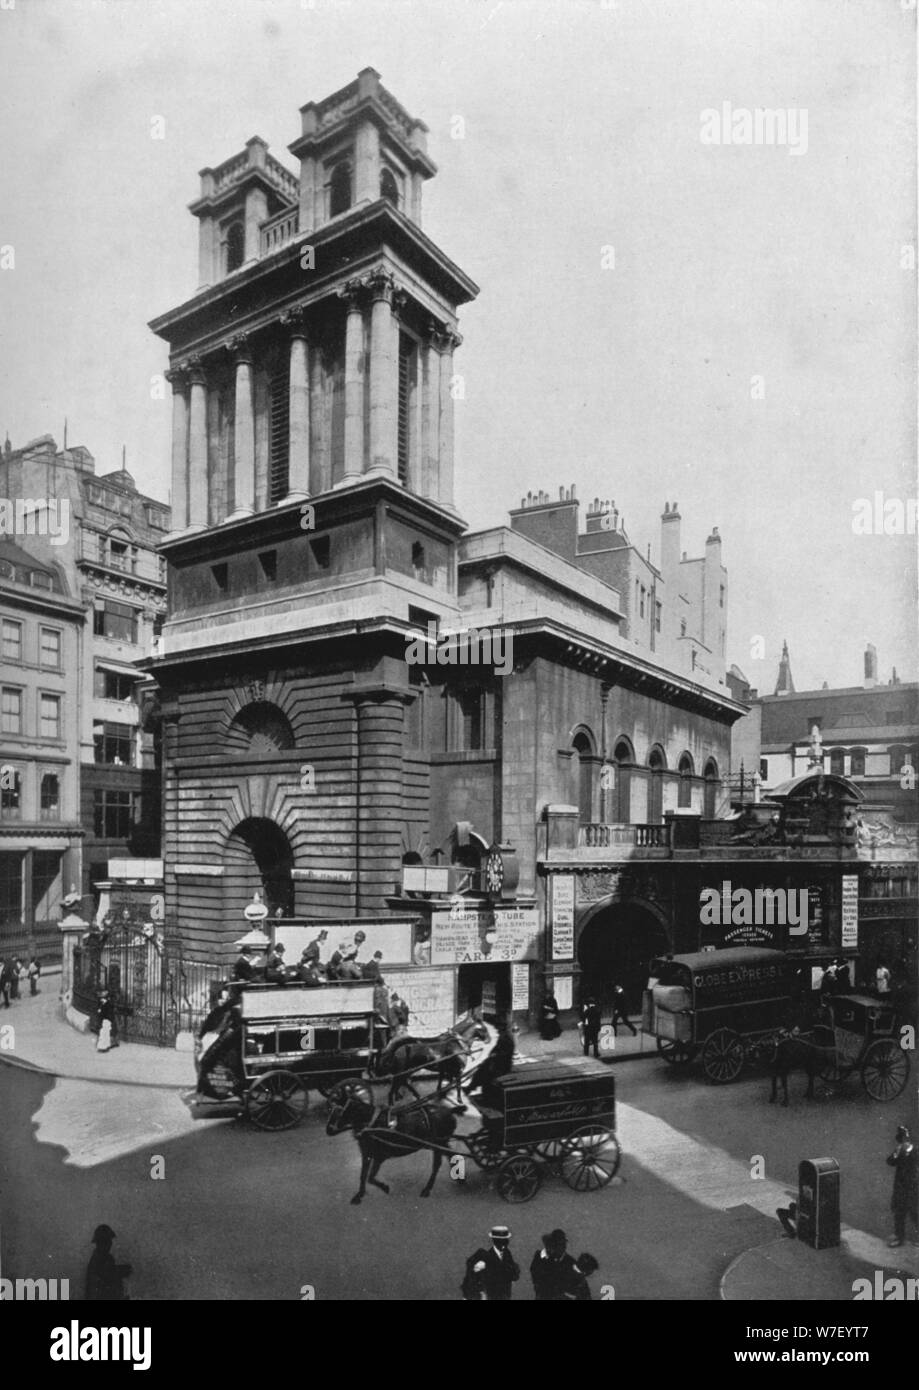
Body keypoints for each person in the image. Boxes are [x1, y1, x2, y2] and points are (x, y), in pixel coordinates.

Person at [462, 1225, 520, 1301]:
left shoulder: (507, 1254)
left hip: (505, 1296)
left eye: (505, 1240)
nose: (504, 1244)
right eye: (500, 1241)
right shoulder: (484, 1257)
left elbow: (515, 1276)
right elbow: (472, 1277)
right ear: (494, 1240)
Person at [886, 1125, 918, 1247]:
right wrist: (897, 1153)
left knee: (914, 1212)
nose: (903, 1140)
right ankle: (899, 1238)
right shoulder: (898, 1150)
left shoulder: (915, 1150)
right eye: (901, 1138)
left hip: (912, 1186)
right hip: (900, 1186)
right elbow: (890, 1162)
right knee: (899, 1212)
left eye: (905, 1137)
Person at [85, 1225, 132, 1301]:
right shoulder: (98, 1260)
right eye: (107, 1241)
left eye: (109, 1241)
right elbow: (107, 1276)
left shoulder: (104, 1258)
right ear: (101, 1243)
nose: (110, 1243)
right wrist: (121, 1271)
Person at [530, 1229, 579, 1301]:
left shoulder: (570, 1262)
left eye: (562, 1244)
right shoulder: (541, 1258)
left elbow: (576, 1284)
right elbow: (536, 1276)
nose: (562, 1247)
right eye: (558, 1244)